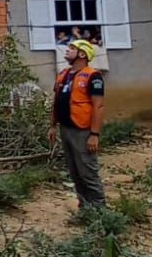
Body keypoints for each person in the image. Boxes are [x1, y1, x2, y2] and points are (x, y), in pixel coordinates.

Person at [48, 39, 106, 209]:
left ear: (82, 54)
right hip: (65, 129)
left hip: (83, 131)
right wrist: (52, 126)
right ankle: (85, 208)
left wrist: (94, 134)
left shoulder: (93, 76)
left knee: (87, 172)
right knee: (74, 172)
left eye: (71, 48)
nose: (67, 51)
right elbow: (56, 102)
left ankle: (99, 211)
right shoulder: (63, 75)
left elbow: (99, 105)